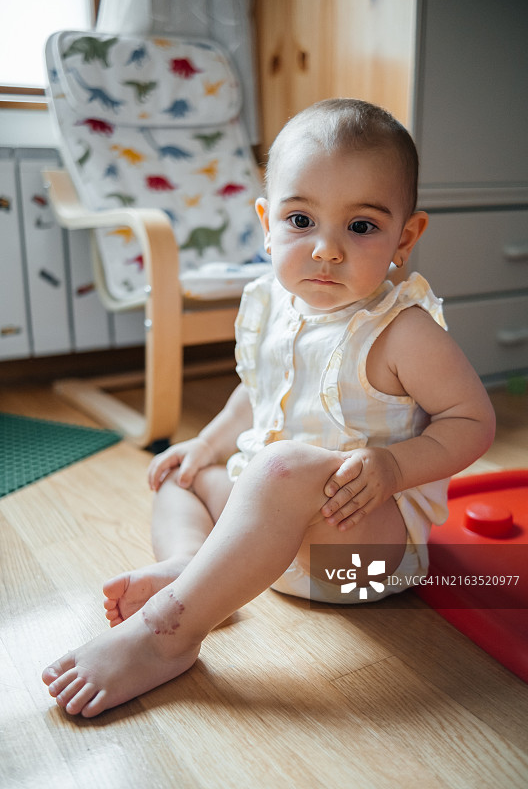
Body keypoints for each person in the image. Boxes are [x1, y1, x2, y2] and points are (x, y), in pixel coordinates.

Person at [42, 98, 495, 717]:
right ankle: (194, 567)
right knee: (181, 474)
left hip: (358, 558)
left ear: (404, 238)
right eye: (301, 220)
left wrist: (392, 468)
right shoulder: (272, 306)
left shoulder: (404, 331)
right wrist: (206, 443)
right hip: (273, 542)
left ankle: (167, 633)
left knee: (280, 467)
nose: (326, 250)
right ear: (267, 223)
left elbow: (472, 421)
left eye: (360, 227)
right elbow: (255, 391)